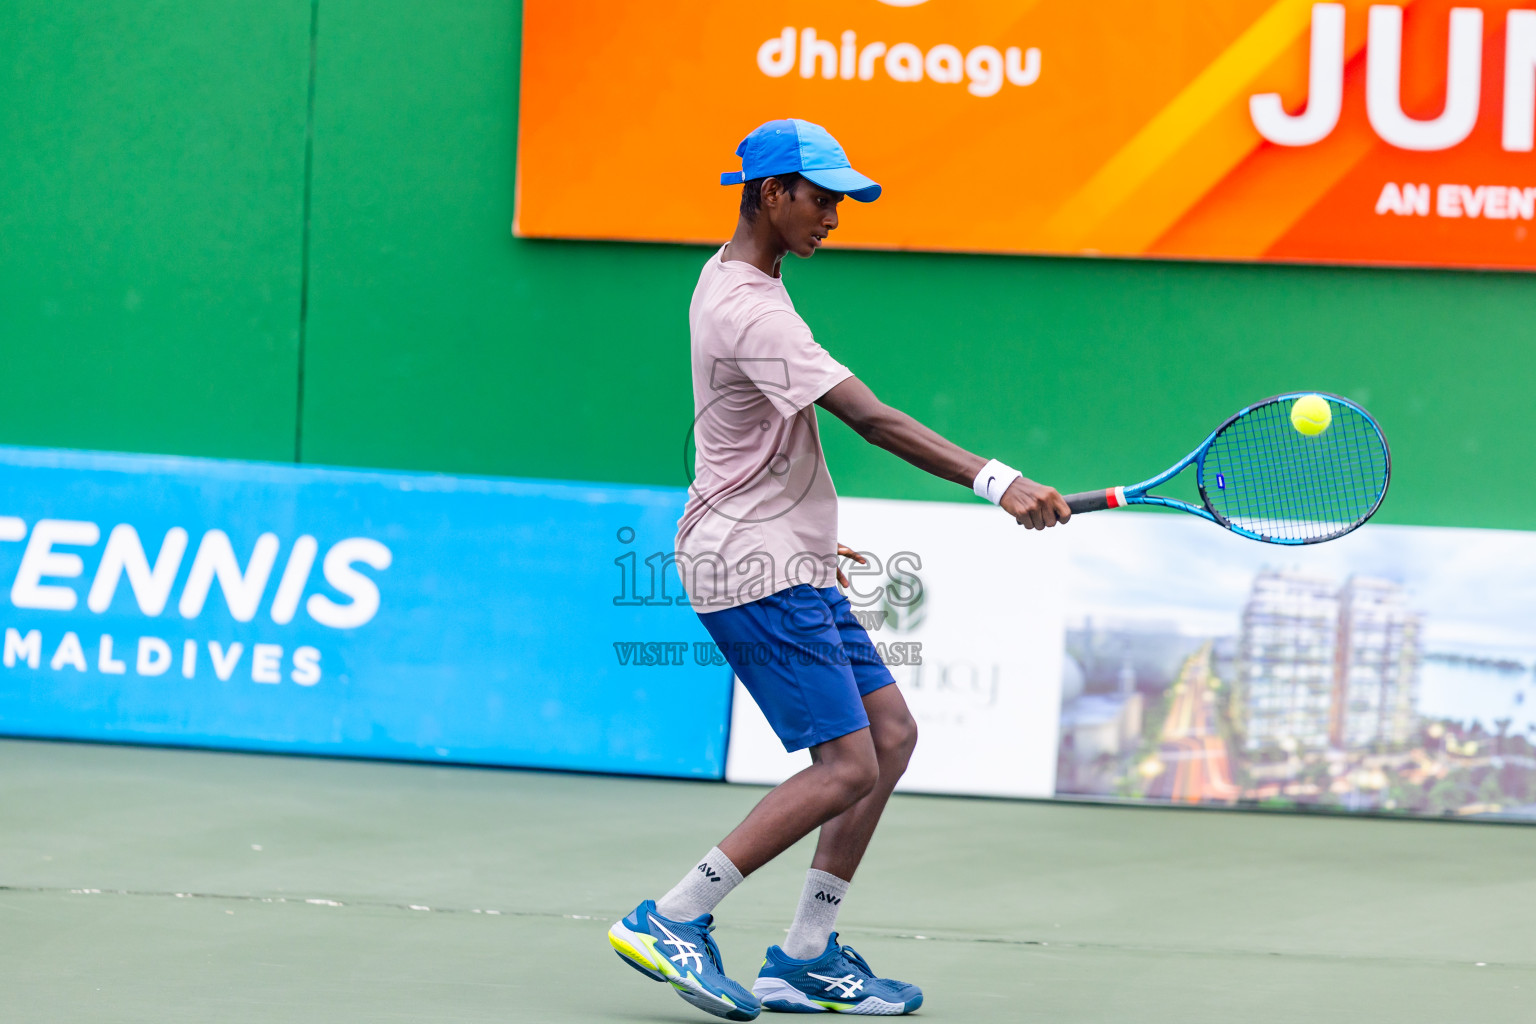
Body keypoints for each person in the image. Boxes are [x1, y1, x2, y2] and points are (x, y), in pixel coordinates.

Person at [608, 118, 1070, 1019]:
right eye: (820, 198)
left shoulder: (743, 281)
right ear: (770, 192)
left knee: (889, 738)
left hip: (785, 555)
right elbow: (873, 419)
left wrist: (806, 527)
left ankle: (805, 957)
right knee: (845, 766)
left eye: (842, 200)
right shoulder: (748, 306)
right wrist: (999, 480)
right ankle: (672, 916)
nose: (834, 214)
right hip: (751, 568)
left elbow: (762, 436)